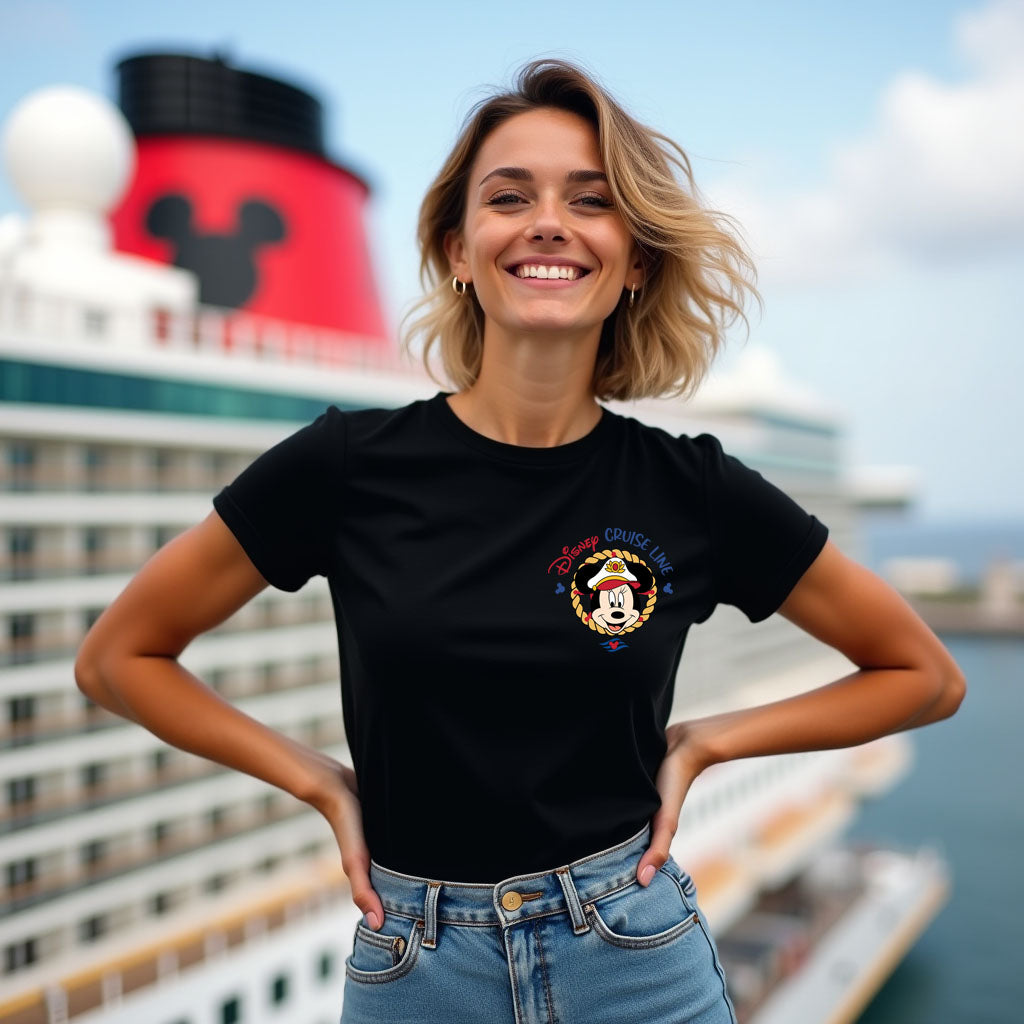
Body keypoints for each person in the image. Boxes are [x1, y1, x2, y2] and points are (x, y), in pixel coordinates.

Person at [75, 58, 966, 1024]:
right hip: (418, 961)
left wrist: (712, 740)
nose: (548, 221)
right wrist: (320, 783)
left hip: (632, 953)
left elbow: (923, 674)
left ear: (634, 262)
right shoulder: (344, 464)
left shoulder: (692, 488)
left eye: (592, 201)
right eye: (510, 196)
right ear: (459, 250)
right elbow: (119, 657)